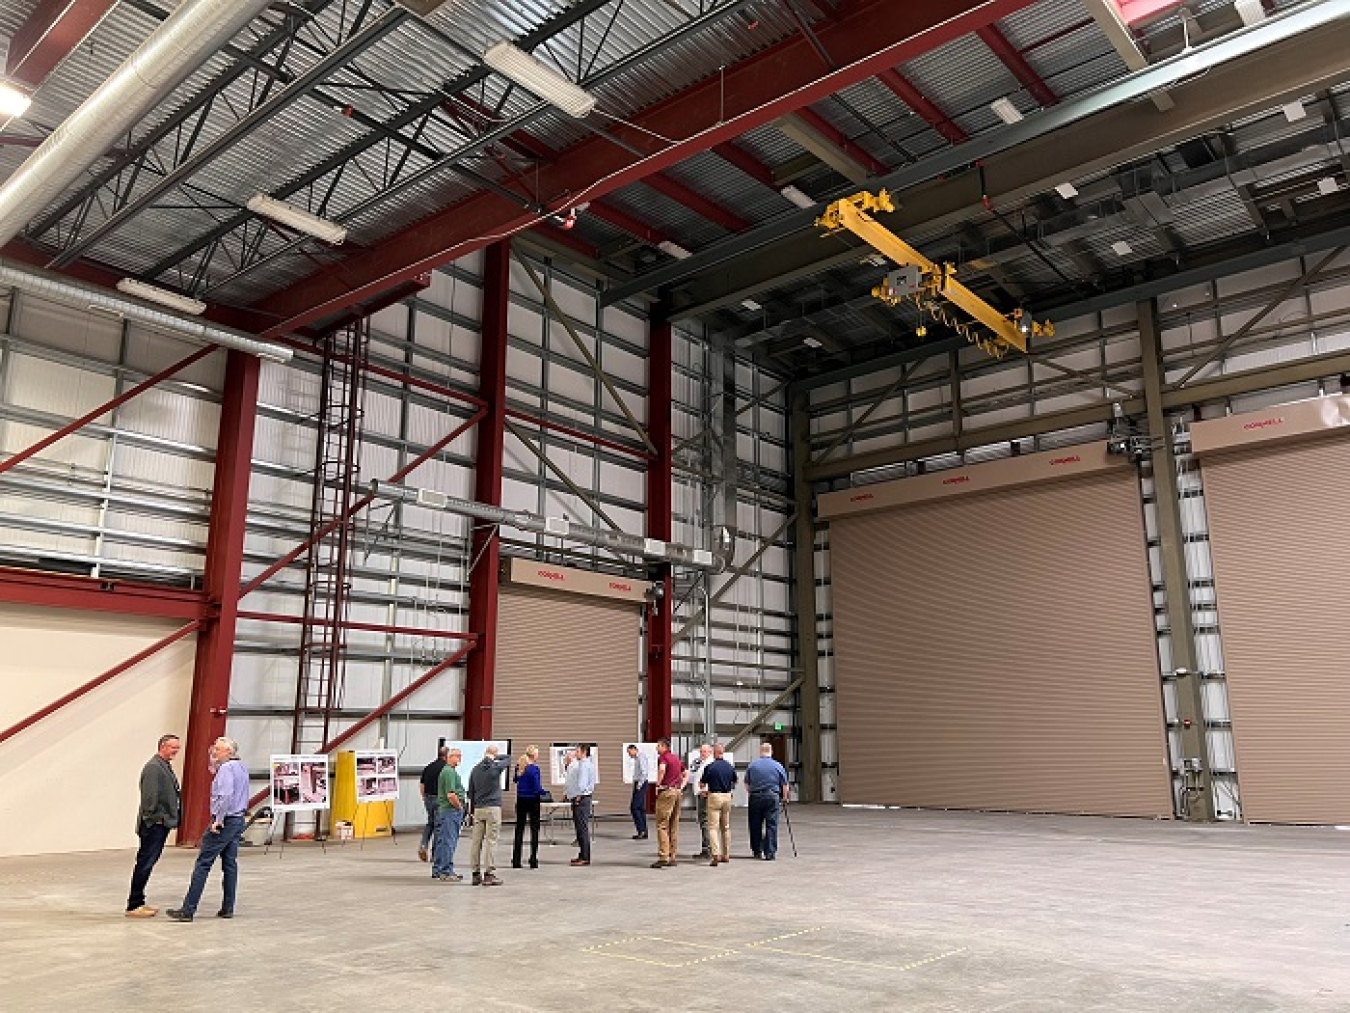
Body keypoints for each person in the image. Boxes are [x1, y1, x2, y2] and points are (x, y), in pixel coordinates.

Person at [166, 737, 247, 922]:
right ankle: (228, 907)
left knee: (203, 863)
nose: (214, 753)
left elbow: (225, 796)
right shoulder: (241, 767)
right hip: (237, 819)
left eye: (218, 750)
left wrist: (218, 820)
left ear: (228, 752)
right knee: (230, 864)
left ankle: (188, 910)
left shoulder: (226, 769)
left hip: (225, 820)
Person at [126, 733, 181, 918]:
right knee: (144, 863)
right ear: (163, 746)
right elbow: (150, 798)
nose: (176, 751)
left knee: (148, 862)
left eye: (177, 747)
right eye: (173, 747)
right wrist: (157, 818)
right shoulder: (153, 768)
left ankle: (138, 901)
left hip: (159, 824)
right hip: (153, 825)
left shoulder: (163, 766)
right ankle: (134, 904)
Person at [467, 746, 512, 886]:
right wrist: (495, 757)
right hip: (493, 808)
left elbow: (471, 793)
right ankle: (489, 873)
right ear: (494, 754)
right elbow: (508, 759)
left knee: (476, 841)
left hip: (479, 809)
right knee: (491, 841)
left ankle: (475, 873)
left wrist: (473, 808)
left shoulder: (474, 770)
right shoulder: (495, 768)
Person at [744, 742, 789, 861]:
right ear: (771, 752)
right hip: (771, 796)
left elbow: (747, 784)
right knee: (771, 824)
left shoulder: (752, 765)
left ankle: (757, 850)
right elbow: (784, 784)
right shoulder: (778, 766)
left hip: (755, 797)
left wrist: (752, 793)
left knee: (755, 824)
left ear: (760, 751)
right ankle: (770, 852)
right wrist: (784, 797)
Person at [432, 748, 466, 883]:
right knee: (448, 841)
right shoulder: (449, 772)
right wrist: (459, 807)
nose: (459, 759)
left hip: (445, 811)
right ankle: (445, 870)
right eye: (457, 756)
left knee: (442, 841)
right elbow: (451, 794)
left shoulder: (448, 772)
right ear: (450, 757)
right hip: (450, 811)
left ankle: (438, 868)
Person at [650, 739, 686, 869]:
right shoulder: (676, 758)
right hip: (677, 792)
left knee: (662, 824)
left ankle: (663, 856)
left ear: (664, 746)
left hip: (666, 791)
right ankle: (672, 856)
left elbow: (661, 770)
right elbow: (685, 773)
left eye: (658, 745)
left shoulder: (663, 757)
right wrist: (681, 786)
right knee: (673, 825)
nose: (656, 748)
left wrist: (658, 785)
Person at [701, 743, 738, 867]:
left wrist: (705, 790)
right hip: (727, 796)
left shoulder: (710, 767)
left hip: (714, 796)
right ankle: (726, 854)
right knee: (725, 827)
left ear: (714, 753)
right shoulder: (730, 767)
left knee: (713, 827)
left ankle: (715, 855)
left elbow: (702, 783)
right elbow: (735, 781)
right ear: (723, 752)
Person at [511, 745, 545, 870]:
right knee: (534, 829)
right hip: (533, 800)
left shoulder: (520, 766)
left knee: (519, 829)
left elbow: (515, 780)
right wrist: (543, 792)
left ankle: (516, 859)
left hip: (520, 800)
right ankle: (533, 859)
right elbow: (537, 787)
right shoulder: (535, 769)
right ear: (534, 755)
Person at [564, 743, 596, 866]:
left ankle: (585, 857)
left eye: (577, 751)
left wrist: (578, 795)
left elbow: (582, 784)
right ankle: (582, 854)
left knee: (582, 829)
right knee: (581, 828)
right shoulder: (589, 764)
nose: (575, 754)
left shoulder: (583, 765)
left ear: (583, 752)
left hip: (581, 799)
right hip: (584, 798)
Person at [417, 745, 449, 863]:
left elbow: (422, 785)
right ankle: (435, 854)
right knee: (439, 826)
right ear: (446, 756)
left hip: (428, 798)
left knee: (430, 823)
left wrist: (424, 797)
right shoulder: (446, 769)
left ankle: (423, 845)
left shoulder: (428, 767)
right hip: (440, 800)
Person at [688, 742, 713, 859]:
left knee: (705, 821)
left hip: (705, 795)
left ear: (710, 752)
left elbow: (709, 780)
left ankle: (707, 848)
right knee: (703, 821)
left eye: (704, 751)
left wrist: (705, 791)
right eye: (701, 751)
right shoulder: (703, 763)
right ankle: (706, 847)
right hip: (700, 794)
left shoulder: (710, 763)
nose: (701, 753)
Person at [626, 743, 650, 840]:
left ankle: (641, 830)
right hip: (639, 783)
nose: (629, 755)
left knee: (634, 807)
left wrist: (639, 784)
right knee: (640, 808)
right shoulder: (637, 758)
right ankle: (643, 831)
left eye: (629, 752)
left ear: (634, 749)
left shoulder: (641, 757)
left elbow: (644, 772)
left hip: (641, 783)